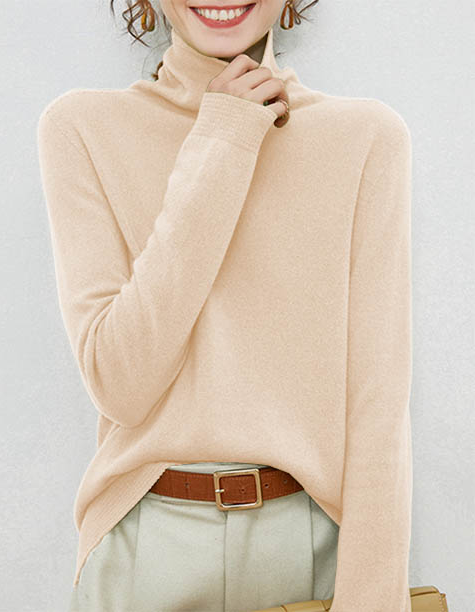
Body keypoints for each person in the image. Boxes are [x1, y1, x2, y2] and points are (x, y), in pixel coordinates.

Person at [37, 0, 413, 610]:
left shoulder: (365, 137)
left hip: (312, 544)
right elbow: (120, 385)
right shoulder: (83, 127)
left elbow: (379, 409)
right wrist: (223, 137)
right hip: (145, 544)